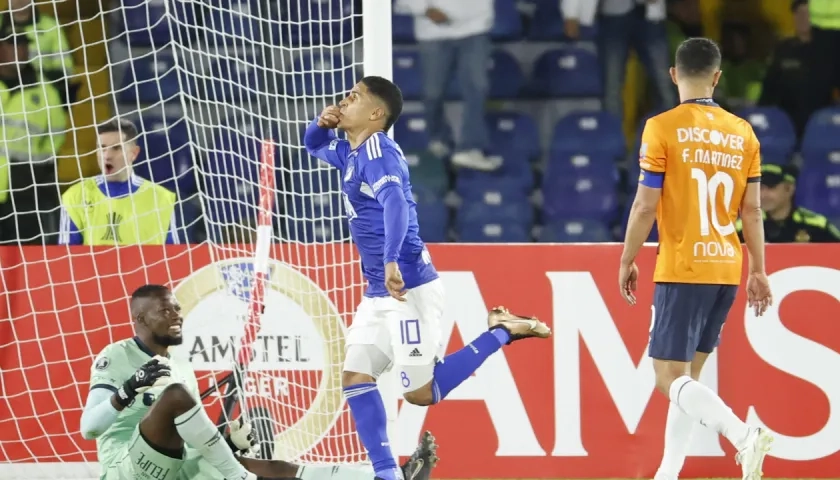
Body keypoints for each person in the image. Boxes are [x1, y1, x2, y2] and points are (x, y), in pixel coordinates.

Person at [303, 76, 551, 480]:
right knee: (355, 378)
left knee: (421, 394)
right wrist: (320, 123)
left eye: (354, 97)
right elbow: (312, 145)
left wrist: (389, 261)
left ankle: (503, 331)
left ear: (376, 113)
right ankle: (386, 473)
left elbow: (396, 202)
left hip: (407, 287)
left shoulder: (379, 153)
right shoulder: (350, 151)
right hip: (377, 291)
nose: (344, 100)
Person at [79, 284, 440, 480]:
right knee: (176, 397)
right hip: (127, 470)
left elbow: (185, 435)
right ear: (140, 318)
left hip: (176, 469)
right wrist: (128, 389)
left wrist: (225, 439)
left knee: (275, 469)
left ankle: (390, 478)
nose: (177, 315)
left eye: (177, 307)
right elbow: (89, 428)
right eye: (166, 310)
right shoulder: (117, 356)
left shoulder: (181, 364)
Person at [618, 38, 774, 480]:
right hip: (726, 265)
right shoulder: (743, 132)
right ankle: (668, 473)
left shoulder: (661, 127)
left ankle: (743, 436)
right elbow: (752, 210)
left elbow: (645, 205)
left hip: (683, 265)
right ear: (718, 76)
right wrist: (759, 270)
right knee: (688, 383)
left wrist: (628, 257)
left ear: (673, 74)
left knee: (669, 379)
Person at [395, 0, 499, 171]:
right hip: (433, 31)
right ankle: (439, 139)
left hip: (476, 28)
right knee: (432, 93)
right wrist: (425, 9)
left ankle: (470, 148)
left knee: (477, 87)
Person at [59, 118, 183, 245]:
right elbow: (66, 259)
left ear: (134, 153)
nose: (107, 156)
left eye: (116, 148)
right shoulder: (75, 197)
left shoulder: (161, 199)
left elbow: (173, 259)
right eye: (102, 148)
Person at [0, 25, 66, 244]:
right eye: (12, 44)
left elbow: (56, 135)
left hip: (26, 187)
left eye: (23, 44)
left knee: (26, 255)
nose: (19, 49)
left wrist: (37, 167)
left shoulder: (46, 91)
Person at [562, 0, 677, 121]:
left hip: (649, 15)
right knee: (612, 86)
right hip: (612, 15)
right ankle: (613, 136)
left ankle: (672, 134)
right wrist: (571, 14)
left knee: (663, 82)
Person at [735, 163, 840, 243]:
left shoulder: (816, 225)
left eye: (771, 187)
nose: (763, 195)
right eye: (760, 188)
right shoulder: (744, 227)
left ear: (789, 189)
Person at [759, 0, 812, 137]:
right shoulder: (783, 49)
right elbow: (768, 87)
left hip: (816, 122)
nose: (802, 19)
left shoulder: (827, 50)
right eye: (798, 14)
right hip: (783, 121)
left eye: (807, 14)